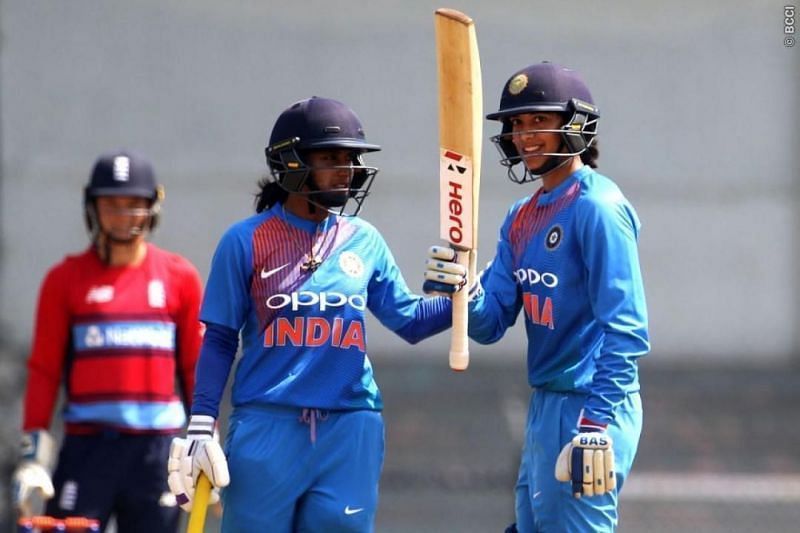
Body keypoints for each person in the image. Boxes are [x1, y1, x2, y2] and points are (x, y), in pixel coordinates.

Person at [167, 96, 453, 532]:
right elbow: (221, 338)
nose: (346, 169)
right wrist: (202, 424)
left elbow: (409, 320)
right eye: (330, 157)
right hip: (267, 424)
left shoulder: (365, 239)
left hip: (350, 427)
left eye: (350, 158)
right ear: (292, 163)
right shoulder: (245, 240)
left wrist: (465, 296)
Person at [425, 62, 650, 531]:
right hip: (545, 405)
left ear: (575, 125)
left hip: (592, 403)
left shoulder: (599, 208)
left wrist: (595, 427)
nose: (526, 136)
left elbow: (626, 331)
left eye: (539, 122)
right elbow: (489, 325)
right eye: (518, 124)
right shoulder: (521, 217)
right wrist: (462, 287)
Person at [11, 150, 204, 532]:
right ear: (91, 208)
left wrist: (203, 441)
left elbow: (195, 366)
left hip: (157, 453)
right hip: (87, 448)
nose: (122, 215)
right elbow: (44, 370)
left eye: (134, 204)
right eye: (111, 204)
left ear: (153, 207)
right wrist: (33, 455)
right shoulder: (64, 279)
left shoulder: (179, 277)